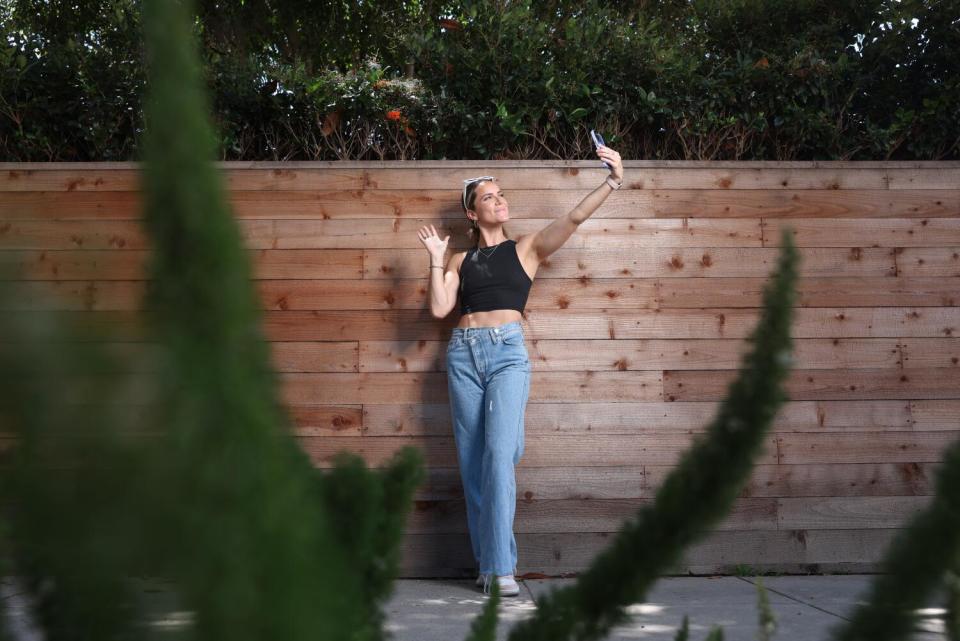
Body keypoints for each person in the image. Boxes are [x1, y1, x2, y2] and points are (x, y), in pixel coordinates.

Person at [416, 143, 624, 596]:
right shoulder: (459, 260)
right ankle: (490, 566)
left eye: (500, 194)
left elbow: (571, 219)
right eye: (488, 197)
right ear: (472, 214)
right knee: (474, 465)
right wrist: (435, 258)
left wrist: (611, 181)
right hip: (463, 353)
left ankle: (501, 567)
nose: (498, 200)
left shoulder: (527, 249)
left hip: (507, 353)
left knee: (498, 455)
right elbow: (439, 308)